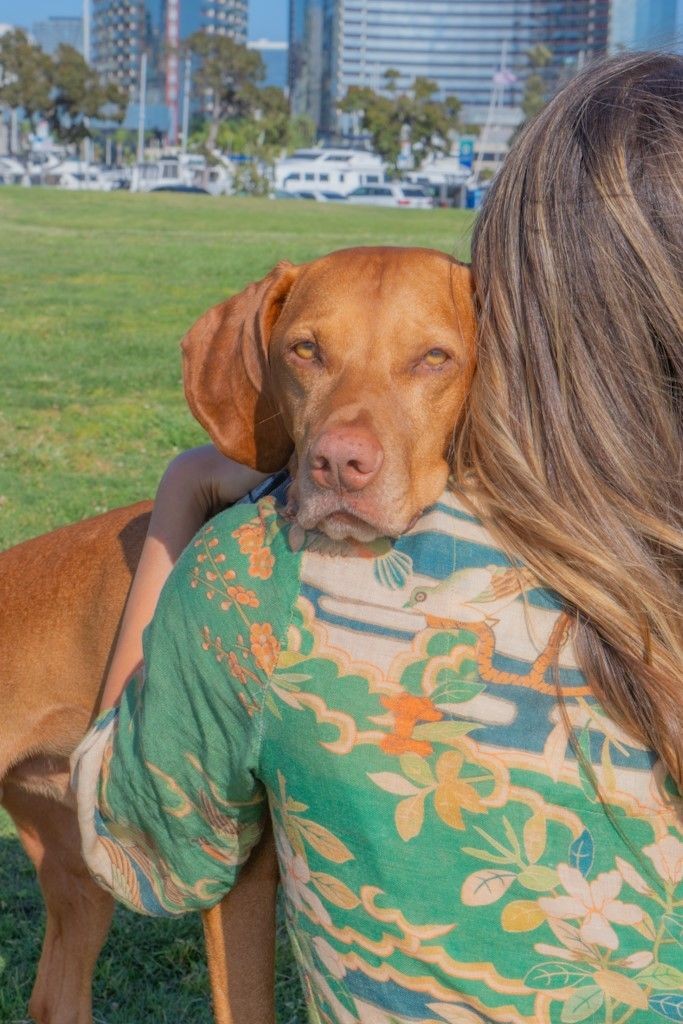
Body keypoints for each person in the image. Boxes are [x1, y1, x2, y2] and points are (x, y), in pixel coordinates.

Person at [73, 53, 682, 1024]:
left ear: (513, 297)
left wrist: (182, 500)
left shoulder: (268, 577)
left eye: (430, 359)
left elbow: (133, 849)